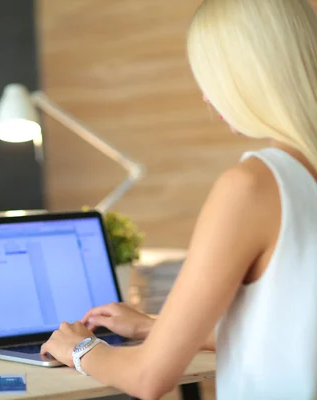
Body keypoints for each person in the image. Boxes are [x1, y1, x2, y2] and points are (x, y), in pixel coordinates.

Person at [40, 0, 317, 398]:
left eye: (208, 76)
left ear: (245, 75)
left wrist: (79, 348)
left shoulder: (253, 185)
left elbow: (149, 378)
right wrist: (157, 328)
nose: (207, 96)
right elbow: (293, 334)